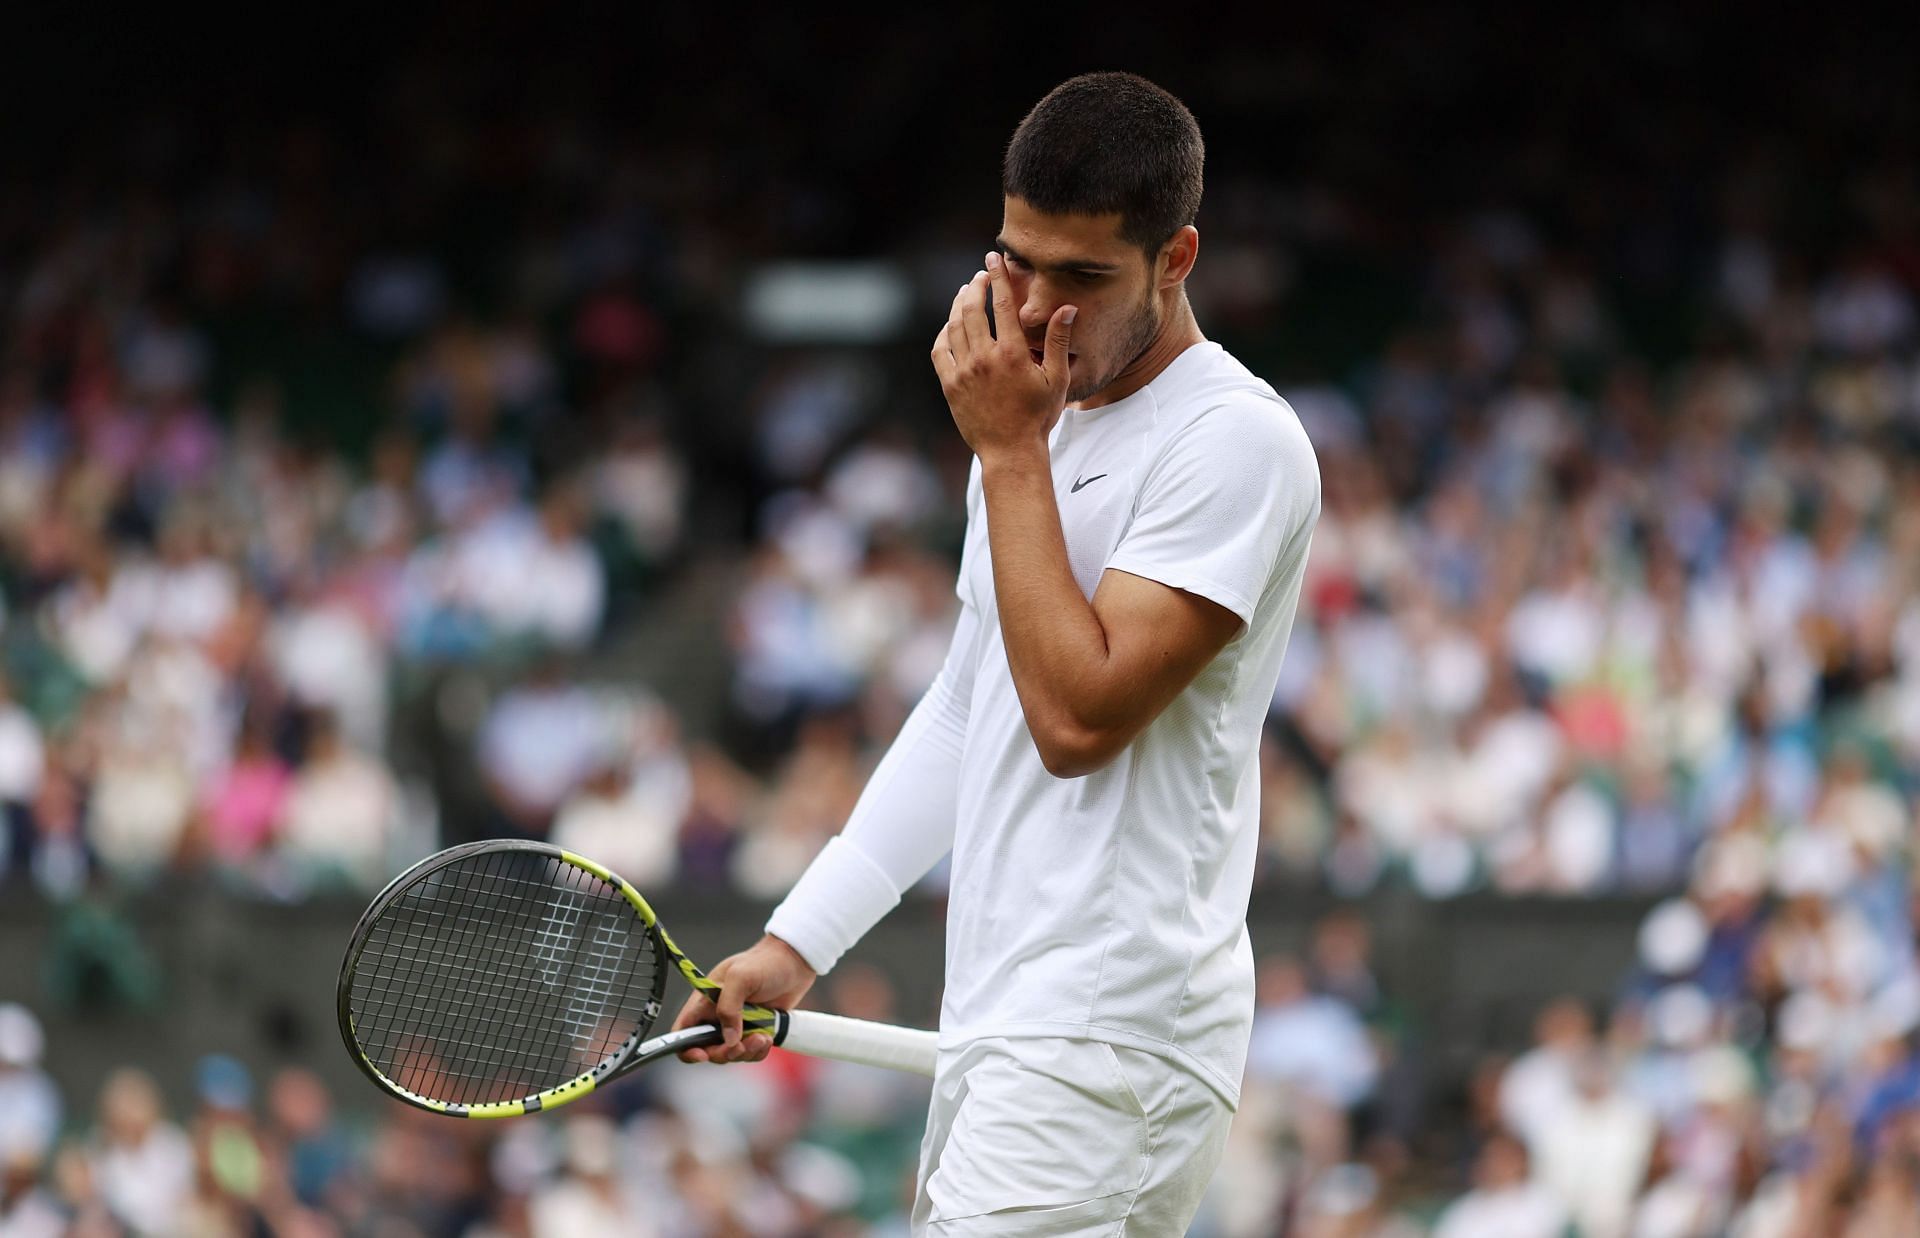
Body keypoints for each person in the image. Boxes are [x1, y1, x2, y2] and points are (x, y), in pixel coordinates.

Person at [673, 71, 1321, 1234]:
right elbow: (974, 710)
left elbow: (1077, 722)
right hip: (1013, 1018)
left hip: (1110, 1032)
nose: (1038, 307)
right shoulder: (1032, 425)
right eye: (1020, 261)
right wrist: (798, 936)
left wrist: (1010, 451)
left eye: (1085, 276)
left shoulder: (1235, 439)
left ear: (1176, 259)